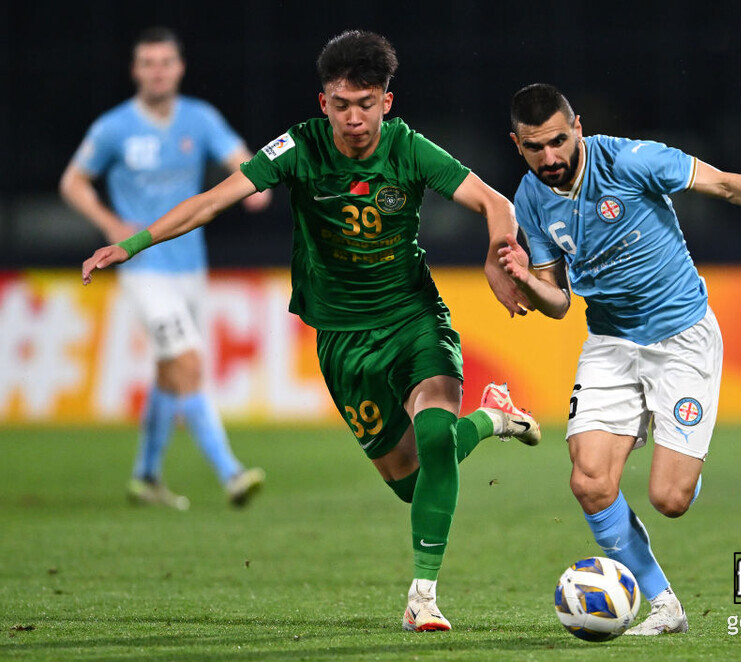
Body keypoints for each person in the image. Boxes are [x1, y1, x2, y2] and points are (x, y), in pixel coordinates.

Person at [81, 30, 540, 632]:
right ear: (323, 103)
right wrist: (134, 243)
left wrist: (497, 252)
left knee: (433, 437)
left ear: (386, 103)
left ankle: (422, 597)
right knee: (411, 485)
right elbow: (214, 200)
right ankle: (492, 418)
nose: (355, 118)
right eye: (342, 104)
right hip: (342, 340)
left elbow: (494, 202)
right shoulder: (295, 149)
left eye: (367, 103)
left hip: (413, 318)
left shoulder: (409, 149)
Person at [499, 83, 741, 636]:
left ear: (577, 126)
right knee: (589, 483)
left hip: (681, 338)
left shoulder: (633, 160)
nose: (551, 158)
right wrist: (525, 281)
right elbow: (556, 300)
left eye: (559, 141)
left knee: (670, 499)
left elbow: (726, 185)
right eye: (536, 148)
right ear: (517, 145)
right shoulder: (531, 199)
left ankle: (681, 448)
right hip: (610, 342)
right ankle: (664, 606)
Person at [61, 27, 271, 510]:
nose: (157, 71)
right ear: (136, 71)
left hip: (190, 269)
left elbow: (242, 162)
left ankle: (146, 476)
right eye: (148, 63)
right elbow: (73, 183)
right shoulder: (114, 127)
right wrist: (110, 223)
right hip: (145, 272)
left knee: (169, 372)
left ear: (179, 68)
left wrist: (258, 180)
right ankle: (231, 473)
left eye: (165, 62)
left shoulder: (199, 119)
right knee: (190, 364)